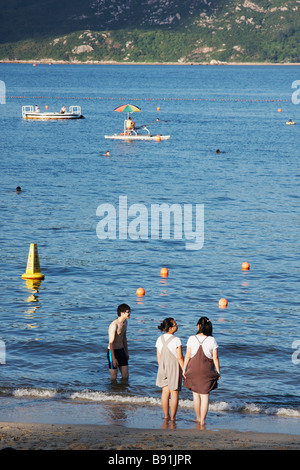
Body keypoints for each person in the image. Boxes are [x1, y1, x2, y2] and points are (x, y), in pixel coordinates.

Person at [183, 317, 220, 426]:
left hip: (193, 369)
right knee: (205, 396)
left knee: (196, 395)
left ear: (199, 326)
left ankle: (198, 418)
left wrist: (184, 369)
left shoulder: (191, 338)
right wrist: (218, 371)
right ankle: (203, 420)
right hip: (206, 371)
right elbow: (215, 358)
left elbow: (187, 356)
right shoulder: (212, 340)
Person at [156, 318, 184, 422]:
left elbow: (158, 355)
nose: (177, 326)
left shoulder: (160, 339)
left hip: (162, 366)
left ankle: (166, 415)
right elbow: (180, 357)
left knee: (164, 392)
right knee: (174, 392)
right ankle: (173, 417)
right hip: (174, 367)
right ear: (171, 328)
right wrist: (184, 369)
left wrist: (161, 366)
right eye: (175, 324)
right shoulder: (176, 340)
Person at [107, 304, 131, 380]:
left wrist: (126, 353)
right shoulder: (114, 325)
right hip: (112, 352)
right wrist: (114, 358)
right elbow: (111, 343)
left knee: (125, 375)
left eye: (129, 311)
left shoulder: (125, 323)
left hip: (121, 350)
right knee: (114, 375)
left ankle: (123, 391)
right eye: (128, 312)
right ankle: (113, 391)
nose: (129, 313)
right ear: (122, 313)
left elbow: (124, 338)